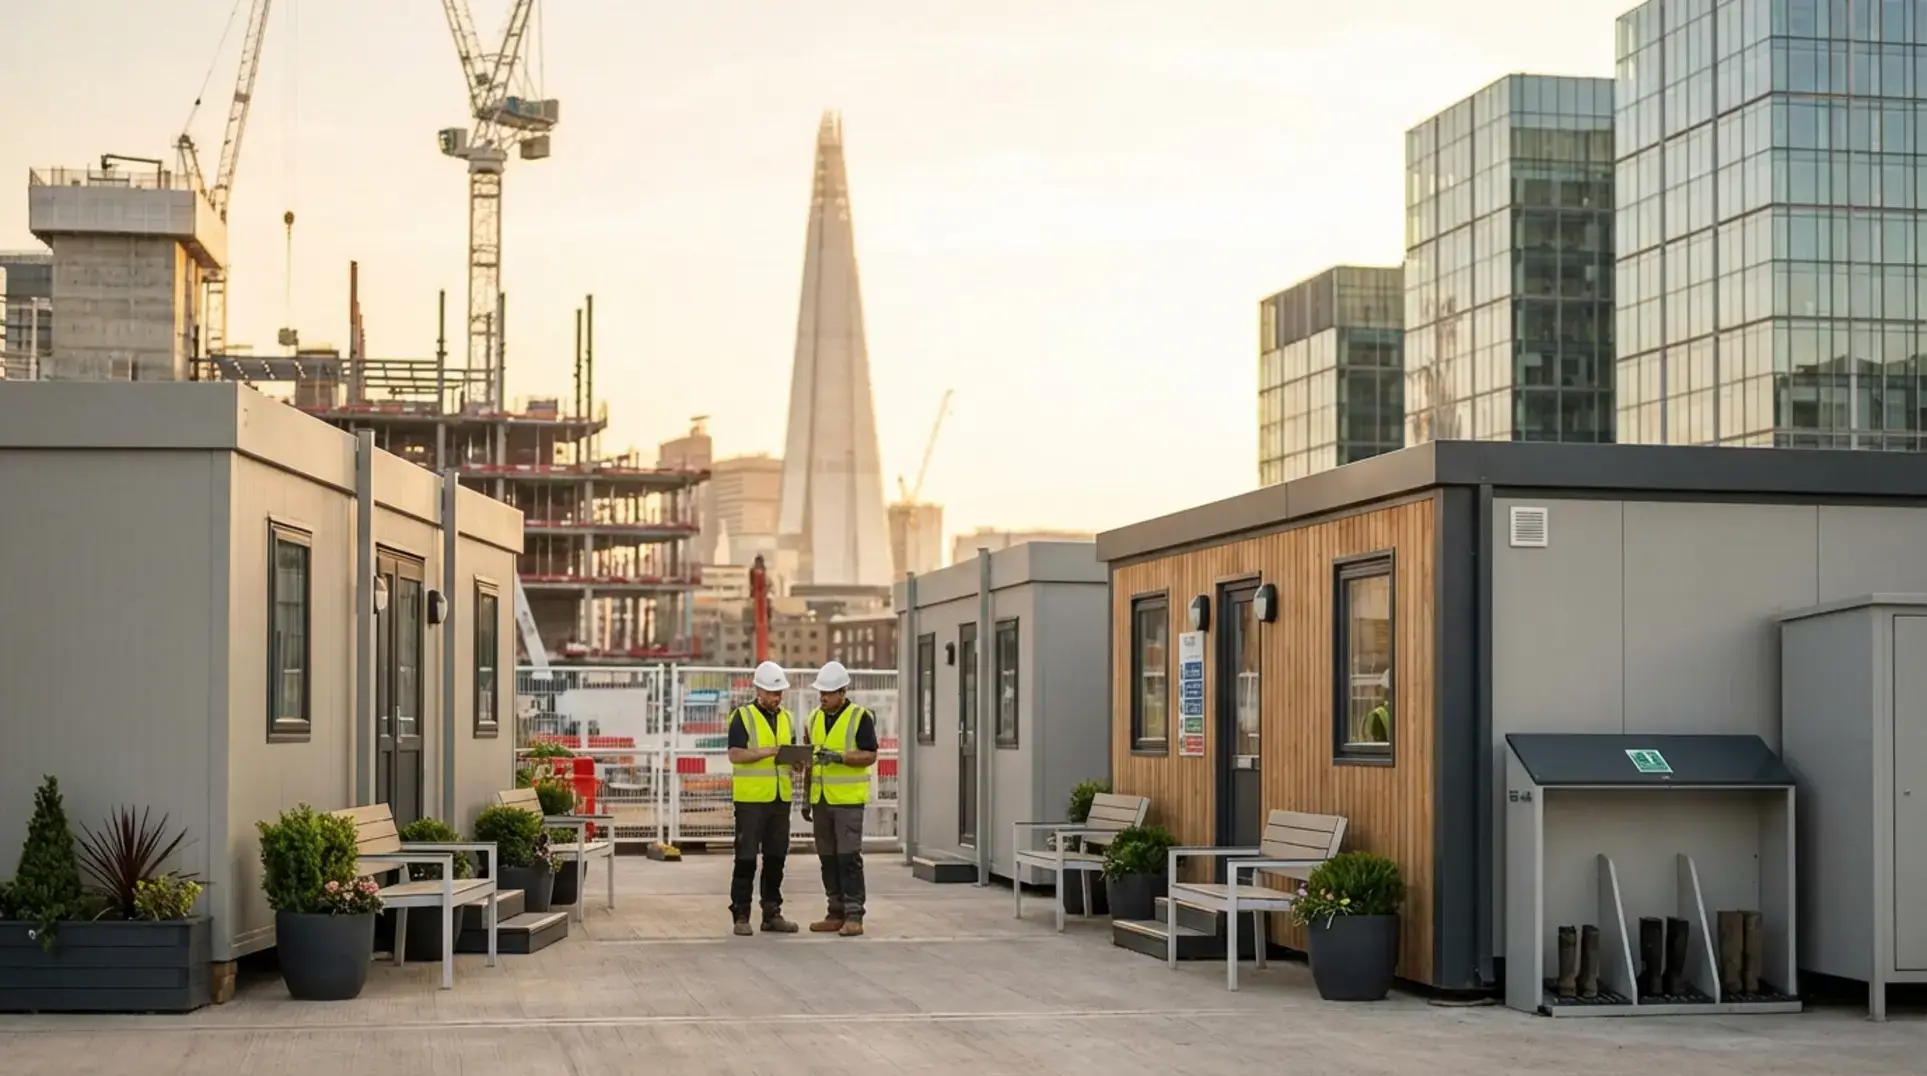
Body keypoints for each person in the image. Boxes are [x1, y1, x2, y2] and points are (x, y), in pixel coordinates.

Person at [726, 661, 804, 936]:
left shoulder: (787, 718)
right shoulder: (742, 717)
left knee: (775, 858)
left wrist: (797, 762)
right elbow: (735, 754)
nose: (777, 698)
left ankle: (772, 913)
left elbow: (787, 753)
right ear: (758, 690)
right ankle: (741, 914)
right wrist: (769, 751)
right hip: (751, 800)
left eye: (779, 692)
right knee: (746, 858)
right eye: (772, 693)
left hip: (780, 799)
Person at [803, 660, 880, 937]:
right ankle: (834, 912)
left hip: (847, 801)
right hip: (821, 800)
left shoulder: (860, 717)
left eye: (828, 692)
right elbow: (808, 760)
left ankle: (854, 915)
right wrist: (806, 798)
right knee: (828, 858)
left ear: (842, 692)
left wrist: (840, 757)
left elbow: (870, 755)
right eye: (821, 692)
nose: (822, 697)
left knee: (848, 858)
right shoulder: (813, 718)